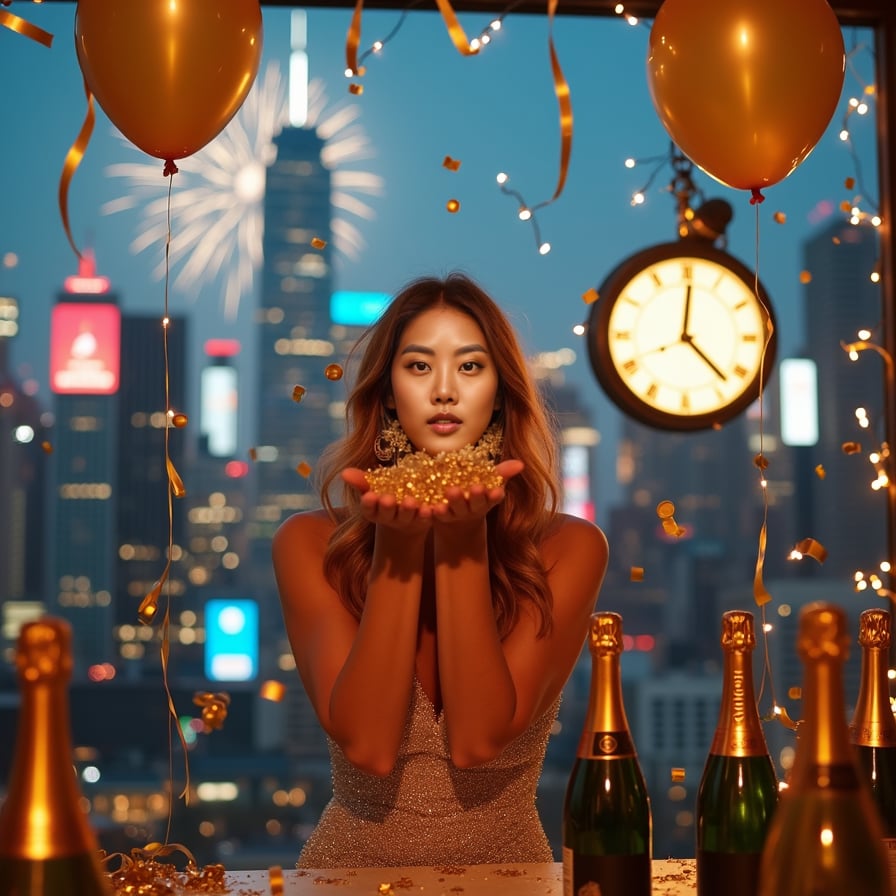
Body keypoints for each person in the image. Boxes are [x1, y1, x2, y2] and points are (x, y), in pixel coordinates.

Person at [272, 272, 608, 868]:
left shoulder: (570, 546)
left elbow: (477, 742)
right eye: (419, 366)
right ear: (387, 393)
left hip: (509, 880)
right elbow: (369, 748)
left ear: (501, 393)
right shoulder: (309, 542)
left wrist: (461, 538)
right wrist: (398, 548)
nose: (445, 391)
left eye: (470, 366)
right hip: (346, 881)